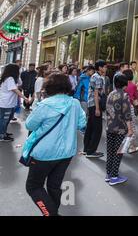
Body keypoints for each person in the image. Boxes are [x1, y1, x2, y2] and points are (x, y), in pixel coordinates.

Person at [23, 73, 86, 216]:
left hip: (43, 154)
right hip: (66, 153)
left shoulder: (45, 104)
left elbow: (30, 125)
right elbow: (82, 123)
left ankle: (51, 214)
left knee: (33, 187)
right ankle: (52, 211)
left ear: (49, 87)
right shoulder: (75, 103)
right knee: (54, 186)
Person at [105, 74, 134, 186]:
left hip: (110, 127)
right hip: (121, 128)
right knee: (118, 152)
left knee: (110, 151)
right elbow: (127, 114)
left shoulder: (110, 94)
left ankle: (108, 174)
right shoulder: (124, 96)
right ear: (124, 83)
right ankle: (114, 177)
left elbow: (108, 111)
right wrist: (130, 129)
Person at [83, 60, 107, 158]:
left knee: (90, 127)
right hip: (95, 105)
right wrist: (97, 108)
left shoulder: (94, 76)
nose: (106, 69)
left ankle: (87, 149)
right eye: (105, 67)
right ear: (100, 68)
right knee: (97, 129)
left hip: (91, 104)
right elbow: (96, 93)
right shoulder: (98, 77)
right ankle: (91, 151)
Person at [0, 64, 29, 142]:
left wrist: (17, 77)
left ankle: (3, 132)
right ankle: (1, 135)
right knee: (4, 120)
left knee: (7, 119)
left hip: (9, 103)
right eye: (18, 70)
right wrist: (25, 98)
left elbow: (20, 84)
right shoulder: (9, 79)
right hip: (5, 104)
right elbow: (15, 90)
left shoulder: (12, 78)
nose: (19, 71)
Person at [122, 69, 138, 154]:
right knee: (131, 127)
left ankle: (121, 144)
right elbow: (136, 98)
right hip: (129, 107)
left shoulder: (121, 85)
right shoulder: (133, 86)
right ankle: (131, 147)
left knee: (122, 126)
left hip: (120, 107)